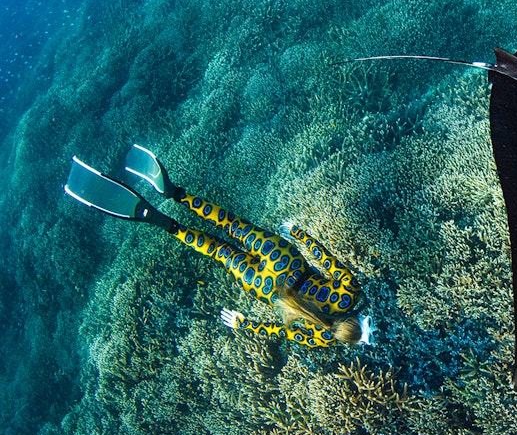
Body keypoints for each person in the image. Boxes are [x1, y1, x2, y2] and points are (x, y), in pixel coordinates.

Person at [64, 144, 373, 347]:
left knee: (231, 226)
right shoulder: (324, 338)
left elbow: (326, 259)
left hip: (288, 262)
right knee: (218, 250)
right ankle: (165, 222)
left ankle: (174, 193)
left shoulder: (352, 293)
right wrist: (244, 324)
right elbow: (279, 330)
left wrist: (299, 234)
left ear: (361, 321)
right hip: (269, 289)